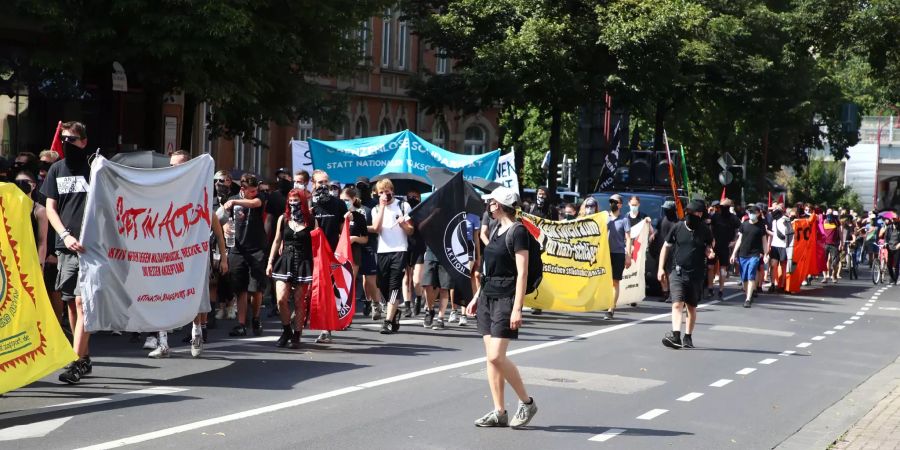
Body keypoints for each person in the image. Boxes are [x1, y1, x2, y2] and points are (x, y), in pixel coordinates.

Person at [467, 186, 537, 428]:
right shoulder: (497, 228)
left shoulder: (518, 232)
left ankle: (527, 403)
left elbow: (522, 273)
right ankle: (499, 411)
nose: (489, 205)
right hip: (488, 295)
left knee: (496, 356)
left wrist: (518, 308)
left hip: (506, 298)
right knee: (491, 359)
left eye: (492, 202)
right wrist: (477, 297)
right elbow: (490, 270)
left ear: (500, 204)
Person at [41, 121, 93, 384]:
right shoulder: (56, 170)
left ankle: (74, 362)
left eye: (72, 139)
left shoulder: (96, 168)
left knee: (84, 302)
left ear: (84, 141)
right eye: (63, 139)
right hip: (66, 246)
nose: (66, 143)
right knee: (71, 302)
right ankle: (83, 356)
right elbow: (50, 208)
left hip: (92, 248)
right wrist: (64, 235)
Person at [659, 200, 714, 349]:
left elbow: (710, 244)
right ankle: (676, 336)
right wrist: (660, 268)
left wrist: (709, 251)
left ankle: (688, 336)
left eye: (698, 213)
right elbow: (666, 247)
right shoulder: (677, 227)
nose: (694, 215)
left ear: (701, 215)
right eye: (691, 213)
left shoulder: (705, 230)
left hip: (696, 273)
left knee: (691, 307)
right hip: (677, 271)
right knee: (677, 303)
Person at [267, 189, 314, 348]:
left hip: (303, 262)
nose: (293, 203)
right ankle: (286, 330)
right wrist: (270, 261)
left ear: (303, 202)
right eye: (290, 200)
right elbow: (276, 240)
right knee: (281, 299)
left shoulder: (311, 220)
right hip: (285, 260)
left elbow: (317, 244)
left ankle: (297, 334)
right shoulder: (283, 218)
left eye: (296, 200)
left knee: (300, 301)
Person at [368, 179, 413, 334]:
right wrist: (381, 207)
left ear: (392, 191)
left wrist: (403, 224)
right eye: (381, 192)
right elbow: (376, 228)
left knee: (394, 285)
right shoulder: (375, 209)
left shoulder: (403, 205)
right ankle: (394, 313)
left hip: (399, 250)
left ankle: (387, 321)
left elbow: (411, 230)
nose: (384, 195)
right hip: (382, 250)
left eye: (387, 191)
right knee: (382, 284)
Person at [225, 174, 268, 337]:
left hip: (256, 248)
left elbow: (255, 203)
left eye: (256, 190)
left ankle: (256, 318)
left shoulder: (259, 198)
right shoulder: (232, 198)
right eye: (251, 190)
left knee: (256, 288)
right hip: (237, 249)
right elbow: (224, 220)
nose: (254, 192)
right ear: (242, 189)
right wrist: (225, 229)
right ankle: (241, 323)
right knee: (240, 289)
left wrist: (235, 202)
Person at [309, 170, 348, 341]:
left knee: (327, 291)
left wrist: (348, 220)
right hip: (308, 254)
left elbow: (343, 232)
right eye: (320, 183)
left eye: (326, 182)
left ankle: (326, 328)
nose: (323, 186)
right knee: (305, 291)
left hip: (330, 254)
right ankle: (294, 328)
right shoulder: (307, 204)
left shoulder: (338, 204)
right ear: (313, 184)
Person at [730, 205, 769, 308]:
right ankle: (748, 294)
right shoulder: (744, 224)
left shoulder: (761, 226)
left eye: (754, 212)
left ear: (758, 213)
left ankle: (747, 299)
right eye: (750, 212)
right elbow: (739, 240)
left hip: (754, 255)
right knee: (745, 278)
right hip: (743, 254)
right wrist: (734, 253)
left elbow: (764, 241)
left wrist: (765, 254)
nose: (751, 214)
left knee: (751, 274)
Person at [604, 194, 632, 320]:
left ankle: (611, 308)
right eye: (611, 202)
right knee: (605, 281)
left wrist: (628, 255)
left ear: (620, 204)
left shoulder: (624, 219)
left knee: (615, 281)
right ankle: (605, 302)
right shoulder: (605, 218)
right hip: (605, 253)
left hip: (619, 253)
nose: (612, 204)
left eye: (615, 202)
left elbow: (628, 238)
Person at [710, 199, 740, 299]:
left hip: (725, 246)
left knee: (723, 269)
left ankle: (721, 290)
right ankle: (710, 288)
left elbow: (740, 231)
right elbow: (710, 228)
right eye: (721, 207)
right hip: (715, 245)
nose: (722, 209)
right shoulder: (716, 216)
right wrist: (711, 240)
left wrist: (734, 241)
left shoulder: (734, 218)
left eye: (724, 207)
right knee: (710, 266)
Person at [402, 189, 425, 318]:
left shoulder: (423, 212)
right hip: (405, 247)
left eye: (415, 196)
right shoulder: (404, 211)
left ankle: (419, 297)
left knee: (416, 280)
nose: (411, 198)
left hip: (420, 247)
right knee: (406, 278)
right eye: (409, 196)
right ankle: (407, 305)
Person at [654, 201, 679, 303]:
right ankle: (665, 292)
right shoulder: (662, 220)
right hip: (661, 249)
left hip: (673, 251)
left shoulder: (677, 222)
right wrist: (653, 235)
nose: (666, 211)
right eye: (665, 209)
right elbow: (658, 230)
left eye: (668, 209)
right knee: (661, 271)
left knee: (670, 272)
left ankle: (671, 294)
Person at [768, 204, 789, 291]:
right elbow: (774, 234)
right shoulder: (774, 221)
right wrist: (769, 245)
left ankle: (782, 284)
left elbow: (789, 233)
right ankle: (773, 284)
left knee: (783, 266)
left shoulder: (786, 220)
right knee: (773, 265)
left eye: (777, 209)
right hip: (775, 245)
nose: (775, 211)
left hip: (784, 246)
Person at [822, 212, 844, 283]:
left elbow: (840, 233)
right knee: (823, 261)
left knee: (835, 262)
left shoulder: (836, 222)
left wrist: (841, 243)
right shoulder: (823, 221)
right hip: (825, 244)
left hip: (834, 245)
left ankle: (834, 275)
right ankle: (825, 277)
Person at [880, 216, 900, 284]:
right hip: (890, 247)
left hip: (897, 248)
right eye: (893, 219)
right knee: (889, 265)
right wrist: (885, 243)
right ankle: (892, 277)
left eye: (895, 219)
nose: (894, 220)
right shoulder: (889, 228)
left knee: (896, 264)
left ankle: (895, 279)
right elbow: (886, 237)